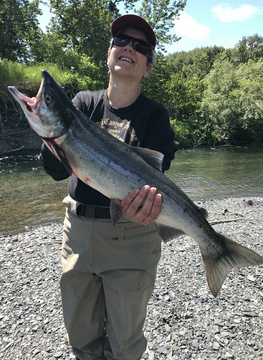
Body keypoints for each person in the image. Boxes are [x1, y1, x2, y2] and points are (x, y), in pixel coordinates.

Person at [40, 14, 178, 360]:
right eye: (120, 41)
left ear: (147, 67)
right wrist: (51, 136)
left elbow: (158, 181)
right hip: (79, 233)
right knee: (81, 335)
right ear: (109, 53)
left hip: (133, 236)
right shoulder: (84, 104)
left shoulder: (154, 116)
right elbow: (53, 171)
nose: (128, 47)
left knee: (125, 342)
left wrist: (149, 208)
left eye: (140, 46)